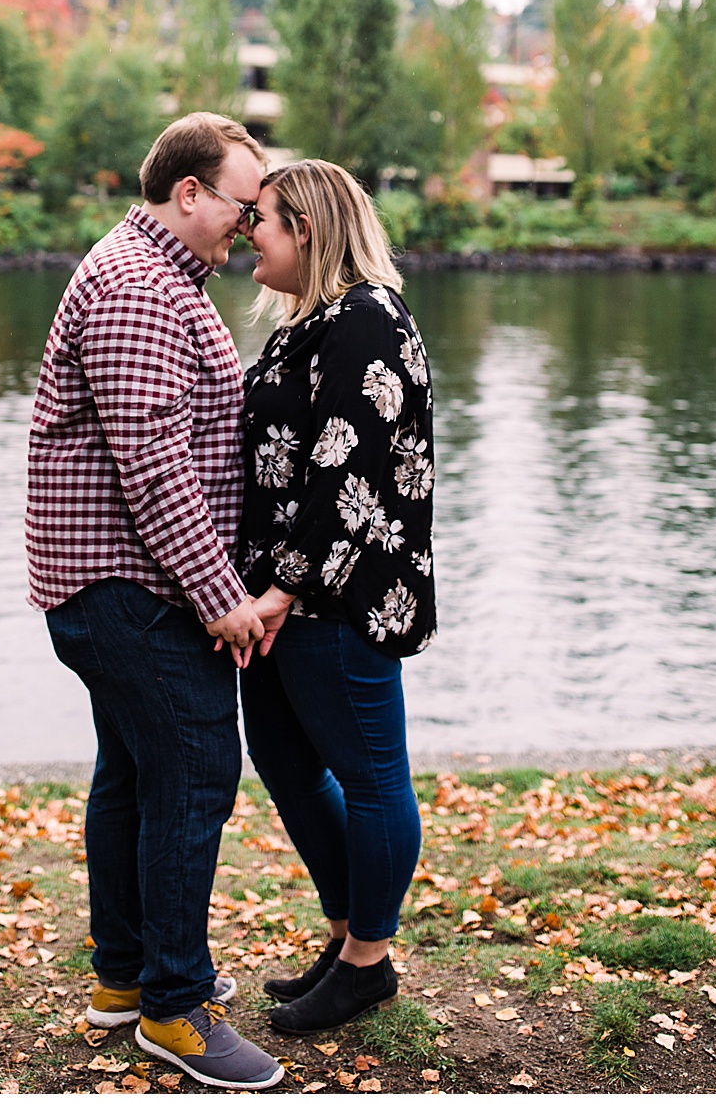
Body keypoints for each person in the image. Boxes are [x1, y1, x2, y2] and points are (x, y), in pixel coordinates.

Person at [25, 112, 283, 1091]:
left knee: (133, 775)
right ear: (187, 192)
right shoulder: (138, 291)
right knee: (195, 769)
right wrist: (222, 598)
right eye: (239, 202)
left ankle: (124, 978)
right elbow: (154, 466)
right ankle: (175, 1008)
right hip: (129, 588)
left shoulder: (159, 275)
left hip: (114, 584)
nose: (247, 223)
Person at [236, 159, 436, 1035]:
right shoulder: (304, 323)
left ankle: (368, 960)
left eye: (264, 222)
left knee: (371, 774)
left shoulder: (365, 318)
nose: (250, 235)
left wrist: (283, 588)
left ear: (309, 228)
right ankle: (348, 932)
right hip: (280, 594)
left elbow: (342, 467)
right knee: (284, 763)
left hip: (338, 599)